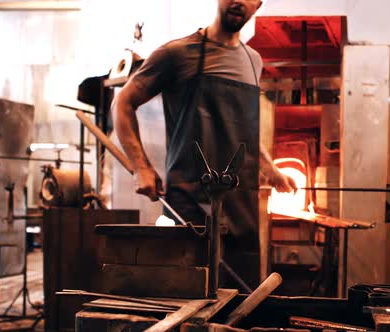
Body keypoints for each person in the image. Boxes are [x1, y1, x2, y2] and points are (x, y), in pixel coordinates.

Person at [113, 0, 297, 288]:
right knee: (188, 295)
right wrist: (142, 167)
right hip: (189, 204)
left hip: (240, 205)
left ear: (258, 4)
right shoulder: (176, 54)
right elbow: (123, 102)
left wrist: (269, 167)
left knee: (240, 298)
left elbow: (243, 130)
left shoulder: (253, 61)